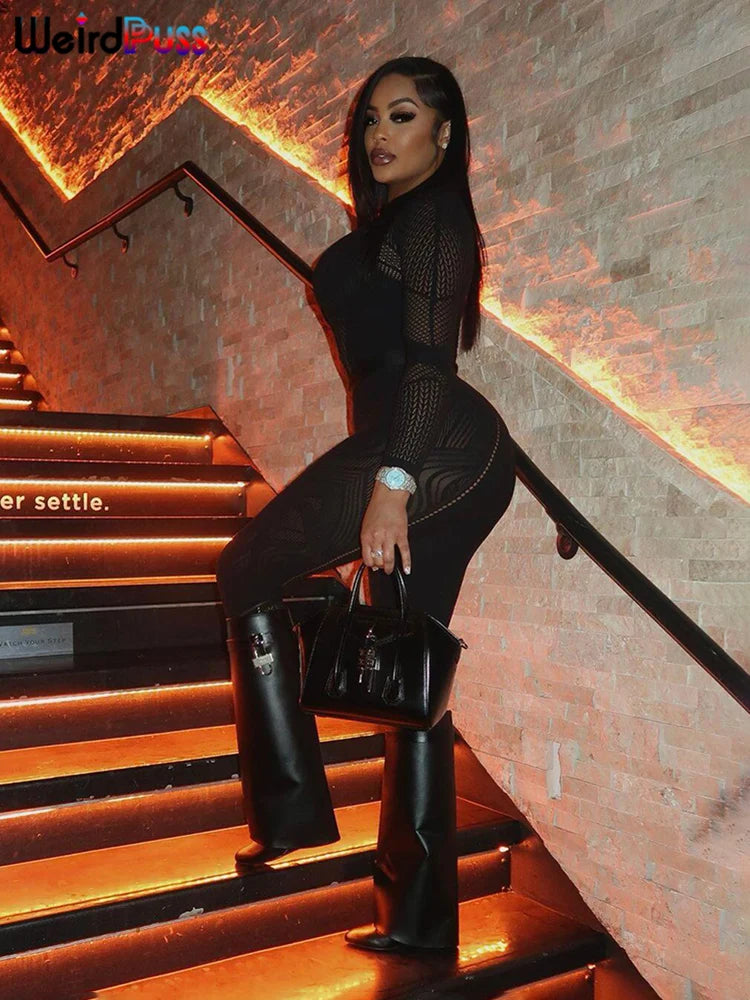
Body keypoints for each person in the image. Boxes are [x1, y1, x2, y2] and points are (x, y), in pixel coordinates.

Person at [214, 55, 517, 954]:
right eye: (372, 119)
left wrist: (391, 488)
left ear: (445, 133)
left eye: (403, 116)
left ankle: (290, 814)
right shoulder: (395, 224)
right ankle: (417, 923)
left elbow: (428, 369)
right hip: (438, 452)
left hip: (434, 449)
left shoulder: (433, 219)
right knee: (410, 671)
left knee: (244, 570)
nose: (381, 134)